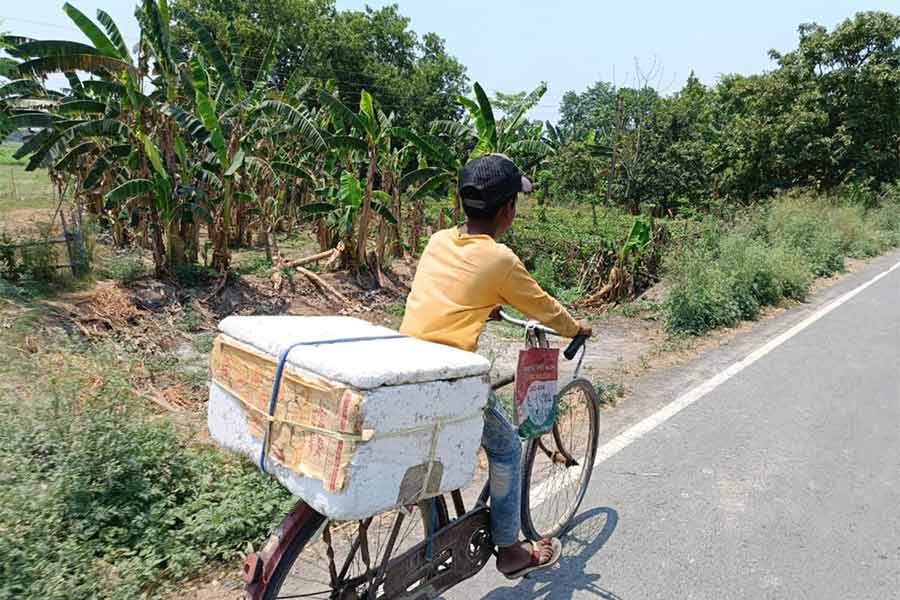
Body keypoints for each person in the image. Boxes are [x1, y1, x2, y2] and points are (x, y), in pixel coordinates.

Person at [400, 153, 592, 578]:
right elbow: (545, 309)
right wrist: (577, 327)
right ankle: (509, 550)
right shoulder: (501, 260)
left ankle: (437, 541)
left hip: (404, 370)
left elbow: (447, 295)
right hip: (450, 378)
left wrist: (483, 305)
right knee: (505, 449)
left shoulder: (437, 241)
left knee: (428, 460)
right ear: (507, 210)